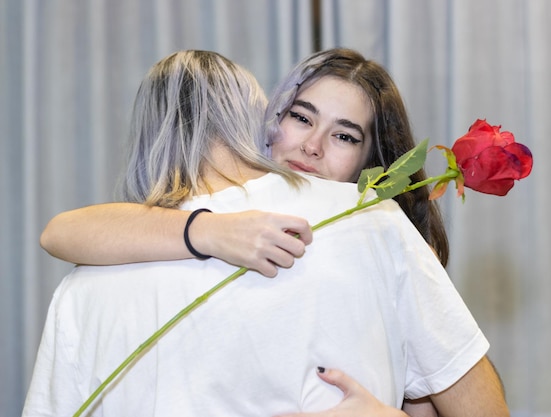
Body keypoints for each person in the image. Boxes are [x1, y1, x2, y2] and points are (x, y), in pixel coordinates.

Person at [24, 50, 508, 416]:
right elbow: (60, 231)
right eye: (300, 117)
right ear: (265, 118)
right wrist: (210, 232)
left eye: (344, 136)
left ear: (371, 164)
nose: (311, 147)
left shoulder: (367, 221)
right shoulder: (123, 250)